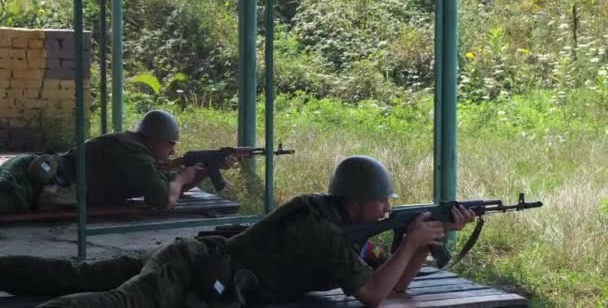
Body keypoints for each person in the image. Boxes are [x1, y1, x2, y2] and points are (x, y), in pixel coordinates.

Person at [0, 155, 475, 307]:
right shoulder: (318, 224)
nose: (386, 208)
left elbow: (394, 286)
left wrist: (420, 243)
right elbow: (373, 295)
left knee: (76, 274)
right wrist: (411, 240)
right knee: (118, 302)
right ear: (352, 199)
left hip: (202, 263)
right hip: (190, 267)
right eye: (380, 201)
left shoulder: (348, 228)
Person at [0, 109, 236, 213]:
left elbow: (171, 189)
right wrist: (182, 176)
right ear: (155, 140)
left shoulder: (138, 151)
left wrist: (209, 167)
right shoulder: (136, 155)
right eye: (170, 144)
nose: (173, 151)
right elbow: (164, 199)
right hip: (29, 181)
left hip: (41, 180)